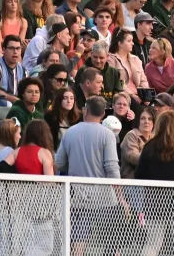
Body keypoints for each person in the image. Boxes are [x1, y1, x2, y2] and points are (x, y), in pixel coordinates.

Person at [55, 96, 124, 256]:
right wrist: (120, 195)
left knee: (78, 240)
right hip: (105, 198)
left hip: (78, 197)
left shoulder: (70, 132)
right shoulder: (107, 134)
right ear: (103, 114)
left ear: (85, 110)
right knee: (112, 243)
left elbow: (59, 163)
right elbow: (112, 167)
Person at [108, 29, 149, 107]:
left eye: (132, 40)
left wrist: (146, 95)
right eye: (129, 41)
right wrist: (132, 95)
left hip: (139, 96)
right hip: (123, 96)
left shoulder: (136, 59)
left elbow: (143, 80)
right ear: (120, 43)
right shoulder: (111, 59)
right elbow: (117, 81)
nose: (132, 43)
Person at [120, 106, 154, 178]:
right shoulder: (131, 135)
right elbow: (132, 158)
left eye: (150, 119)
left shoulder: (154, 137)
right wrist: (154, 158)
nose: (146, 122)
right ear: (138, 121)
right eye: (142, 118)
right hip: (132, 181)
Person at [0, 34, 26, 103]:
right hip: (0, 101)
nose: (15, 52)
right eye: (11, 48)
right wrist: (12, 99)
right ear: (4, 49)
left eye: (18, 48)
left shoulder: (23, 70)